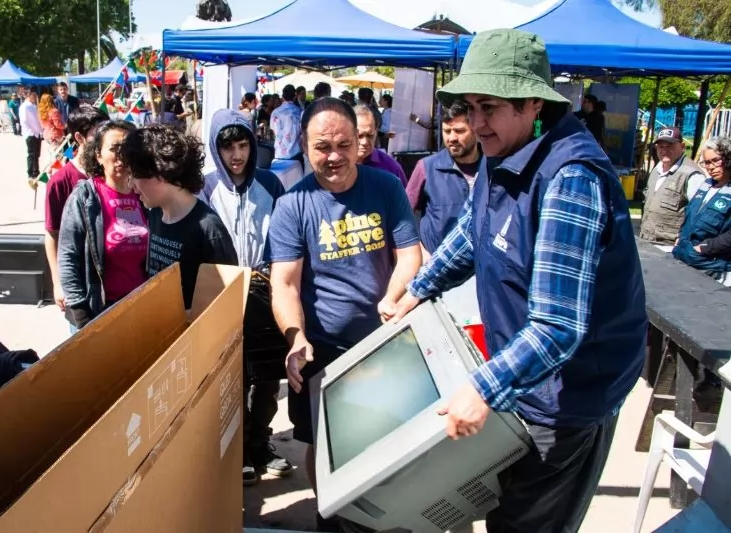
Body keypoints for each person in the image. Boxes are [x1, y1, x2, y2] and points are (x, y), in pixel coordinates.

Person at [389, 29, 647, 533]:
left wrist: (482, 389)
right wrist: (417, 291)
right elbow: (471, 233)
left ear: (533, 104)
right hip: (523, 382)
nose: (475, 122)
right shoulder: (501, 150)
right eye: (468, 106)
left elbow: (556, 326)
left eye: (489, 107)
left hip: (567, 399)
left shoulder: (570, 178)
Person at [267, 97, 421, 531]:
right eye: (322, 146)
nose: (333, 156)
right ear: (303, 145)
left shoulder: (386, 188)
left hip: (382, 342)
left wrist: (393, 297)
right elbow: (285, 283)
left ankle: (380, 516)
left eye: (343, 144)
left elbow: (410, 255)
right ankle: (331, 512)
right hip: (323, 350)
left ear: (359, 143)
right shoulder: (293, 204)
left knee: (385, 435)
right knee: (324, 442)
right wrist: (295, 336)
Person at [201, 108, 292, 486]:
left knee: (268, 378)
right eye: (228, 148)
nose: (236, 155)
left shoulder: (271, 185)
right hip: (223, 291)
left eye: (242, 146)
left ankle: (260, 442)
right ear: (216, 150)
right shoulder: (205, 188)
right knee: (233, 376)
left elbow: (287, 236)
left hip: (266, 290)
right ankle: (236, 449)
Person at [121, 124, 238, 309]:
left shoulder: (209, 230)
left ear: (160, 173)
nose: (131, 185)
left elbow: (226, 303)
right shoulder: (155, 215)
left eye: (135, 175)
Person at [58, 120, 148, 331]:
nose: (122, 156)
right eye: (114, 149)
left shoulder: (146, 195)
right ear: (98, 155)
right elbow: (68, 257)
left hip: (141, 308)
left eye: (128, 148)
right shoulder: (85, 197)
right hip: (96, 313)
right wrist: (81, 314)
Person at [44, 104, 110, 312]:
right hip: (82, 283)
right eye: (96, 135)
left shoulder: (112, 172)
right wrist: (58, 284)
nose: (103, 140)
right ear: (79, 138)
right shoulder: (60, 181)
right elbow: (52, 234)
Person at [405, 99, 482, 260]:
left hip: (482, 269)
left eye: (459, 131)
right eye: (447, 131)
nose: (452, 138)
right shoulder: (426, 168)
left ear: (475, 129)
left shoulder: (493, 167)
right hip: (437, 268)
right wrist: (420, 253)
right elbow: (402, 217)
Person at [672, 136, 731, 285]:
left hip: (714, 268)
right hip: (687, 259)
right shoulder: (706, 184)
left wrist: (703, 248)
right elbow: (691, 213)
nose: (710, 167)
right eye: (706, 162)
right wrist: (680, 237)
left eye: (716, 160)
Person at [639, 127, 706, 245]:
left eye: (670, 146)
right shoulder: (657, 169)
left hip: (671, 247)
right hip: (647, 241)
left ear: (682, 147)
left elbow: (701, 214)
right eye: (661, 146)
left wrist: (686, 239)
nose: (664, 150)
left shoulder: (692, 175)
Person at [354, 105, 407, 186]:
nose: (364, 142)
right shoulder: (338, 163)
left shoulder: (390, 166)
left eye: (370, 135)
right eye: (359, 136)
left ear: (376, 132)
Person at [270, 84, 303, 162]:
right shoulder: (300, 111)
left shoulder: (275, 112)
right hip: (296, 152)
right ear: (295, 96)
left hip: (280, 152)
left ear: (283, 96)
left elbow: (273, 130)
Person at [18, 88, 42, 180]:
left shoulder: (33, 106)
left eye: (36, 95)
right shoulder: (25, 106)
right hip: (30, 133)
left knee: (37, 154)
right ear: (28, 95)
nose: (35, 97)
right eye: (33, 95)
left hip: (37, 133)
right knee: (31, 154)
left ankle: (36, 171)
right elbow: (24, 120)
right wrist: (32, 130)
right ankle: (30, 172)